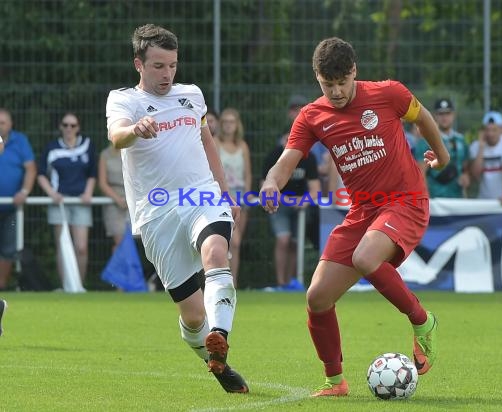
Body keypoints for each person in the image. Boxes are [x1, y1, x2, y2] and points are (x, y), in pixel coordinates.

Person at [260, 37, 447, 396]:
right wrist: (271, 182)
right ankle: (335, 382)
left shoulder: (388, 93)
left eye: (342, 82)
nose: (336, 91)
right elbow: (286, 162)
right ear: (317, 78)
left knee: (365, 257)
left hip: (405, 200)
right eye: (328, 84)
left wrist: (442, 156)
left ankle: (423, 322)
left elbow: (423, 117)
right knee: (316, 298)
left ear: (354, 72)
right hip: (363, 211)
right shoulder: (312, 116)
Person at [105, 24, 248, 393]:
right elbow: (117, 136)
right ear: (139, 64)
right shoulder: (123, 101)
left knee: (216, 252)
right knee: (192, 313)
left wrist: (225, 192)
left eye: (172, 65)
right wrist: (137, 129)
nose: (167, 74)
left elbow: (207, 141)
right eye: (157, 66)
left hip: (200, 195)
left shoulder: (192, 95)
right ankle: (216, 362)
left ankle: (220, 333)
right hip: (156, 213)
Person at [37, 112, 97, 286]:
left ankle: (79, 287)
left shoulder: (87, 145)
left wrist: (88, 193)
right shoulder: (52, 147)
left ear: (78, 127)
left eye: (73, 125)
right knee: (62, 246)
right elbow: (41, 174)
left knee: (81, 247)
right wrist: (52, 193)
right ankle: (66, 287)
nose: (69, 129)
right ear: (60, 127)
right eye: (65, 125)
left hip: (80, 202)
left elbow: (92, 173)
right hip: (60, 202)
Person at [262, 131, 320, 291]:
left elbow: (315, 189)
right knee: (283, 240)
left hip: (300, 207)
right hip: (279, 204)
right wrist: (285, 200)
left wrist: (303, 201)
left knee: (295, 243)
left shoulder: (309, 158)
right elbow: (265, 186)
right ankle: (281, 283)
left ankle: (292, 282)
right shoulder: (273, 156)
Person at [0, 108, 37, 290]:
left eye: (2, 122)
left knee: (8, 250)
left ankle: (1, 286)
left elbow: (30, 168)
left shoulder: (20, 141)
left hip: (11, 208)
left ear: (11, 124)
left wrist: (23, 191)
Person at [214, 107, 252, 286]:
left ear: (237, 125)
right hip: (220, 196)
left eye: (232, 122)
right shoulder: (215, 142)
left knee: (235, 244)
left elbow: (248, 174)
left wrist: (247, 197)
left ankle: (233, 283)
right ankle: (219, 282)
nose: (229, 126)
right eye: (226, 122)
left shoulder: (242, 145)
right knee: (227, 241)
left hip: (240, 197)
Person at [415, 99, 470, 198]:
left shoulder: (461, 140)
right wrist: (426, 198)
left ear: (453, 115)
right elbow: (420, 172)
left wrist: (465, 176)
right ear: (435, 116)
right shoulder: (426, 141)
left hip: (457, 197)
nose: (444, 117)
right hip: (436, 198)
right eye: (441, 114)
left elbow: (464, 167)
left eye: (448, 113)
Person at [469, 111, 502, 205]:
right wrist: (481, 148)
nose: (490, 134)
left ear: (501, 129)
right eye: (487, 130)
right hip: (484, 201)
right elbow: (475, 175)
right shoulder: (476, 146)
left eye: (494, 130)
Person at [98, 143, 129, 250]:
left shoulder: (132, 151)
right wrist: (118, 200)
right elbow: (102, 183)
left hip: (132, 201)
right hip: (113, 202)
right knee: (120, 243)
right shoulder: (105, 155)